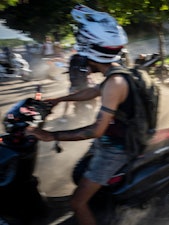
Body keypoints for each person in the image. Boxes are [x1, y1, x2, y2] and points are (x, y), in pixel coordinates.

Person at [25, 5, 133, 225]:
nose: (81, 58)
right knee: (80, 172)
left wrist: (50, 135)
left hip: (117, 147)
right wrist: (59, 99)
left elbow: (96, 130)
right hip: (117, 137)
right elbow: (93, 91)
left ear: (91, 51)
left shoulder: (115, 82)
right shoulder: (115, 72)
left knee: (77, 203)